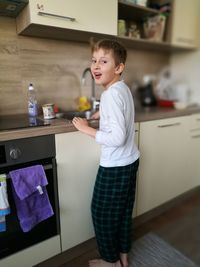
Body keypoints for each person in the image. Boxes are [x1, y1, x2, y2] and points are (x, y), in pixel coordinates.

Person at [72, 39, 140, 267]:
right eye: (93, 61)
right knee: (122, 212)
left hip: (115, 167)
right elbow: (120, 110)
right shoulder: (121, 88)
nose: (96, 66)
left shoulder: (110, 95)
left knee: (102, 215)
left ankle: (109, 262)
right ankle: (123, 257)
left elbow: (117, 137)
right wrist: (101, 113)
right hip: (130, 162)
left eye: (103, 61)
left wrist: (85, 128)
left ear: (118, 68)